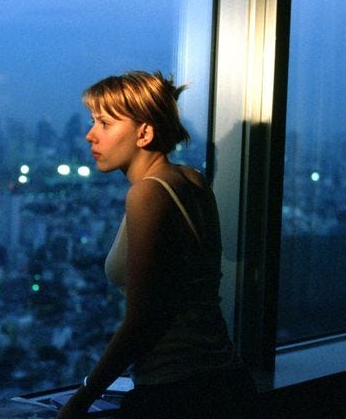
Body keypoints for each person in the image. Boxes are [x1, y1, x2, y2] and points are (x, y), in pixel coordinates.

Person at [57, 71, 257, 419]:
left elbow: (142, 321)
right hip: (225, 381)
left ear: (144, 132)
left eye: (104, 123)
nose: (90, 135)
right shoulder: (191, 179)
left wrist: (81, 399)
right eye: (93, 122)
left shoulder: (148, 193)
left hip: (178, 394)